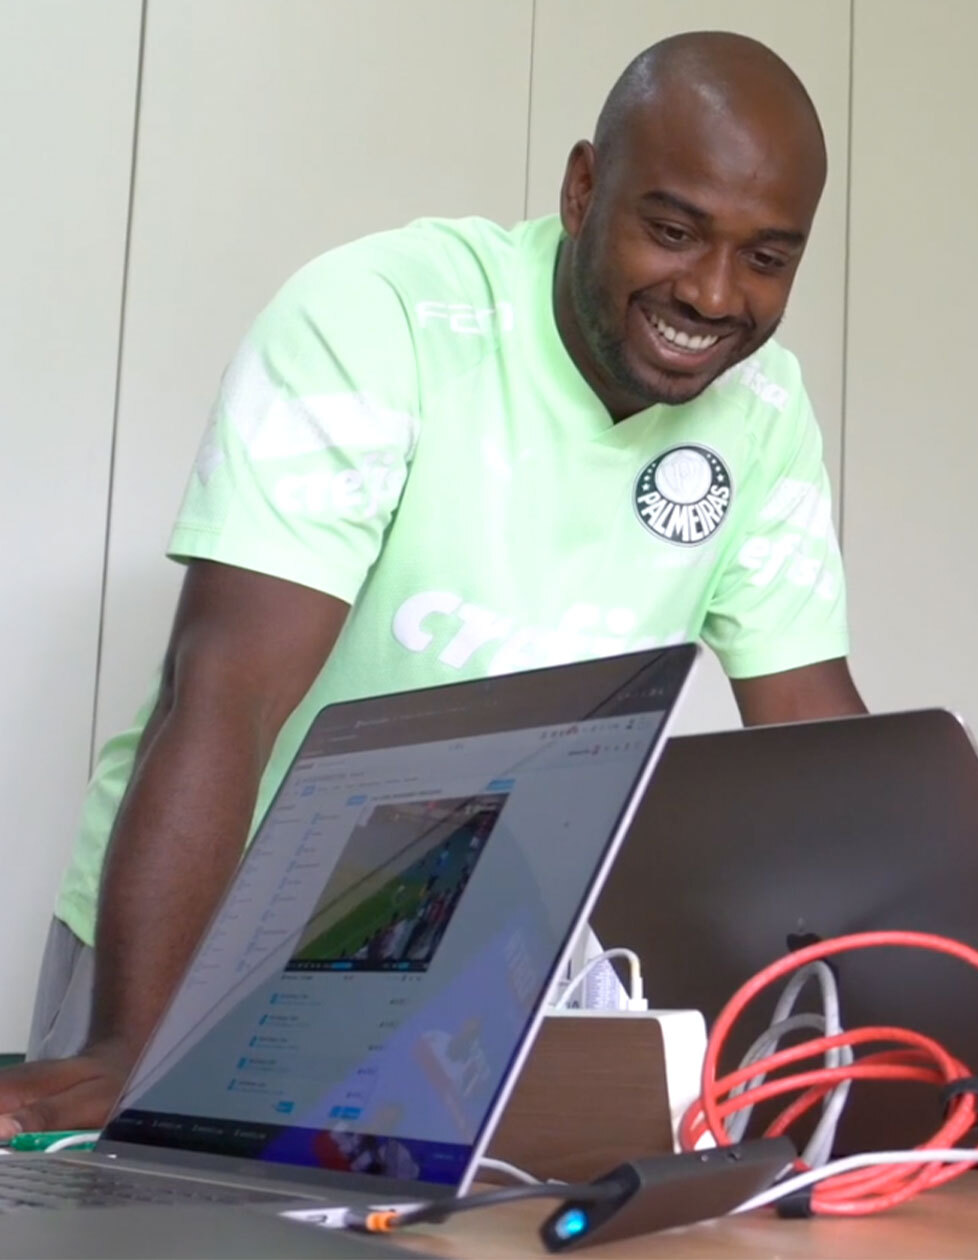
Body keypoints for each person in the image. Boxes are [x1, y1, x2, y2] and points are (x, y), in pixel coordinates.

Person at [0, 32, 865, 1136]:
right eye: (673, 230)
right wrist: (134, 1046)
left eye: (766, 258)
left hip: (461, 979)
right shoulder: (381, 318)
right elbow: (225, 693)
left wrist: (936, 1028)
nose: (710, 292)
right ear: (583, 186)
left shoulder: (766, 415)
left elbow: (811, 751)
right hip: (191, 947)